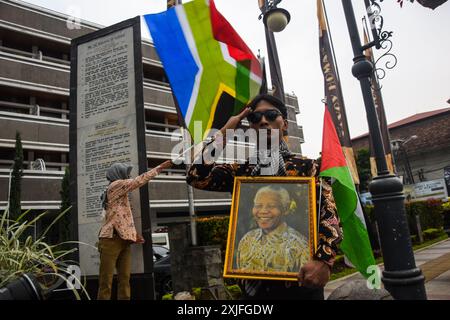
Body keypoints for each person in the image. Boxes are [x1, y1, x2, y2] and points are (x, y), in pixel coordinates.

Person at [187, 93, 341, 300]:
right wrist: (225, 131)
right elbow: (196, 176)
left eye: (271, 115)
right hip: (253, 288)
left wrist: (323, 262)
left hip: (301, 282)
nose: (263, 121)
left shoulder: (308, 167)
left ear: (284, 124)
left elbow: (329, 214)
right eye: (255, 118)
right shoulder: (240, 171)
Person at [97, 160, 173, 300]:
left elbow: (121, 217)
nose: (127, 177)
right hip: (110, 240)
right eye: (125, 174)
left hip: (124, 240)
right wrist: (160, 167)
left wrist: (133, 235)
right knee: (105, 282)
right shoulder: (115, 185)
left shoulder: (120, 193)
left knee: (125, 279)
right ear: (117, 174)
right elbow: (138, 181)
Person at [237, 185, 309, 273]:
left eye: (271, 206)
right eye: (258, 205)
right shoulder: (247, 240)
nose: (263, 211)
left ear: (285, 209)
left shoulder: (300, 247)